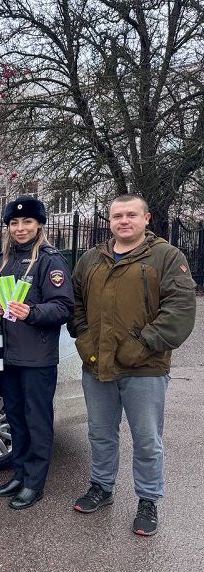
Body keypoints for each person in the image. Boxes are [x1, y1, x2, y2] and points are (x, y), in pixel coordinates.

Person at [69, 194, 196, 536]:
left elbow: (180, 310)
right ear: (109, 221)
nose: (123, 221)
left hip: (146, 368)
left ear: (146, 218)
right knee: (100, 432)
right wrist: (84, 339)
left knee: (146, 439)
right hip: (97, 364)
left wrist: (142, 344)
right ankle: (102, 486)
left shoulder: (166, 256)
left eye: (130, 215)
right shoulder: (92, 258)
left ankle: (148, 500)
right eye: (117, 216)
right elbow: (75, 302)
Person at [0, 195, 74, 510]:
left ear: (39, 224)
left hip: (37, 359)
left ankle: (35, 484)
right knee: (16, 420)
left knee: (37, 421)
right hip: (8, 356)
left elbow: (63, 307)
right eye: (14, 223)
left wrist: (32, 312)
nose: (20, 228)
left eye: (27, 222)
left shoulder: (50, 261)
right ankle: (20, 475)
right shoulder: (0, 261)